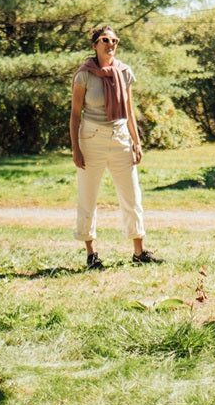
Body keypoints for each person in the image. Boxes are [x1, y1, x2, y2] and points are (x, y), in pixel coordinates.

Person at [69, 25, 162, 269]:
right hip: (92, 140)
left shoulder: (124, 72)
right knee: (88, 197)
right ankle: (92, 254)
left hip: (121, 138)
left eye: (115, 40)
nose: (111, 44)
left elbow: (129, 110)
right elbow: (75, 115)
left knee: (132, 196)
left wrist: (136, 141)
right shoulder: (84, 75)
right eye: (105, 40)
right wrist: (75, 148)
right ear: (95, 45)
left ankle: (139, 252)